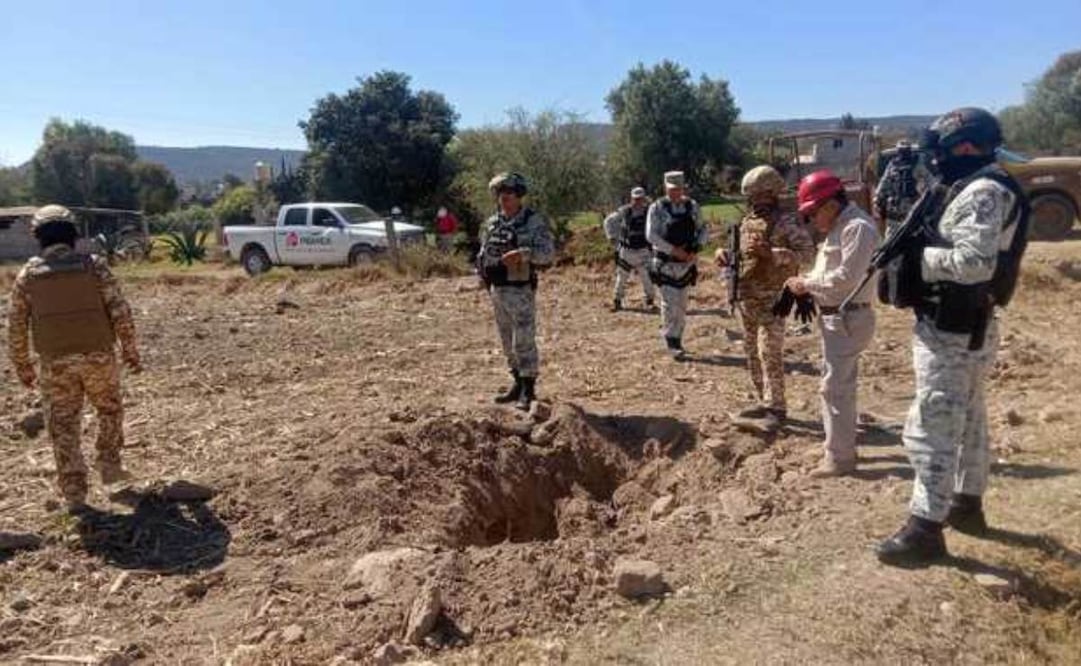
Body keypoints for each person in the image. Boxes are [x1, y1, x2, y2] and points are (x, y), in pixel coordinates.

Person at [876, 108, 1029, 566]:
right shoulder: (975, 185)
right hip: (963, 327)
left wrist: (918, 261)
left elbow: (975, 264)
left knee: (931, 426)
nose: (936, 160)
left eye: (941, 151)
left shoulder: (983, 191)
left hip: (954, 329)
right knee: (969, 419)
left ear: (963, 146)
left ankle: (925, 528)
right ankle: (966, 503)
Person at [6, 205, 142, 512]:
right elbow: (120, 311)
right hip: (98, 356)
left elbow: (15, 324)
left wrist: (22, 365)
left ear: (37, 236)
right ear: (73, 234)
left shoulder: (28, 276)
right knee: (109, 409)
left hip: (55, 363)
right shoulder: (94, 267)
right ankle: (109, 462)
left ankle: (75, 494)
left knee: (63, 425)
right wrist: (130, 351)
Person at [784, 170, 879, 477]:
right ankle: (835, 444)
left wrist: (806, 284)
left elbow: (846, 278)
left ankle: (840, 458)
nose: (812, 220)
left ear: (828, 204)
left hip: (849, 316)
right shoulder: (841, 228)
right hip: (838, 317)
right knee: (835, 385)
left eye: (812, 213)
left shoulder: (857, 228)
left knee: (835, 389)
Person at [718, 166, 815, 425]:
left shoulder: (787, 222)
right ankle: (764, 401)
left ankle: (777, 408)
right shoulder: (746, 222)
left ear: (772, 194)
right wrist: (725, 256)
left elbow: (807, 255)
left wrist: (772, 253)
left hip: (773, 299)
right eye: (753, 196)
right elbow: (741, 256)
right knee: (751, 353)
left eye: (761, 195)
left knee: (768, 353)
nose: (756, 201)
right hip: (746, 297)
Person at [476, 173, 555, 410]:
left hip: (519, 290)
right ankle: (517, 383)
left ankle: (528, 390)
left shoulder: (533, 222)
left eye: (509, 195)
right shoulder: (492, 223)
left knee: (524, 340)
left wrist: (523, 255)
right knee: (506, 341)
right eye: (501, 195)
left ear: (519, 196)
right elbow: (484, 251)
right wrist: (481, 273)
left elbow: (548, 254)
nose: (504, 199)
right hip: (497, 288)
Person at [647, 171, 708, 360]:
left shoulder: (692, 206)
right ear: (665, 188)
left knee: (681, 305)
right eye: (672, 189)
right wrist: (673, 251)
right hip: (665, 263)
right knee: (669, 303)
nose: (676, 193)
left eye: (679, 189)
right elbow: (651, 235)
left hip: (686, 264)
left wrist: (695, 249)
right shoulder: (657, 208)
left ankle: (678, 337)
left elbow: (703, 229)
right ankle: (671, 340)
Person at [603, 186, 655, 311]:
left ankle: (650, 300)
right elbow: (608, 221)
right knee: (621, 278)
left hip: (644, 251)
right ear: (632, 198)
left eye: (640, 199)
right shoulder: (624, 211)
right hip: (627, 251)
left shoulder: (650, 212)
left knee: (647, 278)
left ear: (644, 199)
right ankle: (617, 301)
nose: (638, 202)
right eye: (636, 199)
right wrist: (611, 237)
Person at [874, 139, 931, 235]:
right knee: (891, 236)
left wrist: (928, 195)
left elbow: (929, 180)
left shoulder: (917, 164)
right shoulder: (893, 165)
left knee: (911, 233)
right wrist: (878, 197)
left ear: (909, 151)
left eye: (905, 150)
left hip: (910, 205)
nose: (903, 153)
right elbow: (885, 181)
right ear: (898, 151)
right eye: (901, 150)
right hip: (894, 206)